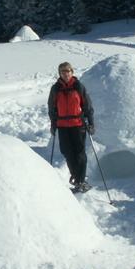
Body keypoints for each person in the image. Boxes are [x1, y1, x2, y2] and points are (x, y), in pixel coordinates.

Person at [48, 61, 95, 191]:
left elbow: (87, 106)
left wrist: (91, 123)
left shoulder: (78, 86)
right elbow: (52, 108)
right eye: (62, 71)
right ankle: (76, 177)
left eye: (67, 71)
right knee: (67, 152)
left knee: (79, 153)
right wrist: (53, 124)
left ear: (72, 72)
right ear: (59, 73)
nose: (65, 73)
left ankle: (80, 180)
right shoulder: (55, 89)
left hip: (78, 125)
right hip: (62, 125)